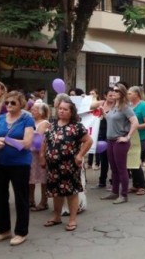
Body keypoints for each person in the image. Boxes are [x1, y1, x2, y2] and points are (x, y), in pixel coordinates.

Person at [0, 91, 35, 246]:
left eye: (13, 103)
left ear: (21, 103)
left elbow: (27, 144)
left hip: (20, 164)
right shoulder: (0, 119)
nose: (8, 105)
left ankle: (21, 232)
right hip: (0, 163)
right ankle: (4, 230)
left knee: (21, 198)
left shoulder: (27, 119)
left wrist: (5, 140)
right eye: (7, 102)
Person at [41, 95, 93, 232]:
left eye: (65, 109)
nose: (61, 111)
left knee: (71, 192)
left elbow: (89, 141)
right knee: (56, 192)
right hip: (53, 166)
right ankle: (56, 217)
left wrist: (80, 155)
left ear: (71, 112)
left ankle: (72, 219)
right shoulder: (52, 126)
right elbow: (45, 142)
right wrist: (42, 156)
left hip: (69, 166)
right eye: (60, 109)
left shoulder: (76, 127)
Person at [100, 83, 138, 204]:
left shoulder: (125, 107)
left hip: (119, 141)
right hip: (110, 140)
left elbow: (135, 122)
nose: (113, 92)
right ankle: (114, 192)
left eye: (116, 91)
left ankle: (123, 195)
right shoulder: (114, 106)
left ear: (122, 93)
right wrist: (104, 114)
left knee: (121, 169)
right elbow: (112, 120)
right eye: (113, 90)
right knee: (114, 168)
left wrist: (127, 137)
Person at [127, 86, 145, 195]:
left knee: (136, 161)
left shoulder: (143, 105)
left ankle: (142, 186)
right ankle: (135, 185)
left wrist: (135, 127)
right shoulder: (128, 105)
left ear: (137, 94)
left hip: (139, 138)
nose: (128, 95)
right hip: (129, 136)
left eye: (130, 93)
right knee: (130, 162)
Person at [91, 88, 115, 189]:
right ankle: (102, 181)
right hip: (101, 134)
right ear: (105, 96)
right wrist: (85, 97)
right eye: (110, 95)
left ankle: (114, 182)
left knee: (113, 160)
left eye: (114, 95)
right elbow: (89, 105)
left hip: (112, 134)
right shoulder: (101, 104)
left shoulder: (116, 106)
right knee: (103, 159)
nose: (112, 97)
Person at [29, 102, 51, 212]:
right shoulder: (31, 121)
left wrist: (27, 137)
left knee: (43, 178)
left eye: (35, 110)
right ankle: (30, 200)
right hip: (30, 153)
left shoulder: (44, 123)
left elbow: (38, 138)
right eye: (32, 109)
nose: (32, 111)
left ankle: (44, 202)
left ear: (42, 111)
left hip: (40, 154)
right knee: (30, 178)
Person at [87, 88, 101, 170]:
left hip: (97, 126)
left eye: (93, 93)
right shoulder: (87, 103)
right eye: (90, 93)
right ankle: (89, 163)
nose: (91, 95)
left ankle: (97, 163)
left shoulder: (99, 104)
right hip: (90, 126)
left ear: (97, 95)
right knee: (90, 144)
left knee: (97, 145)